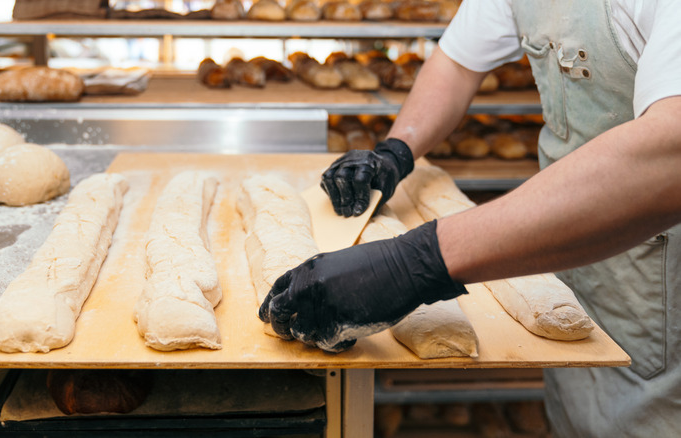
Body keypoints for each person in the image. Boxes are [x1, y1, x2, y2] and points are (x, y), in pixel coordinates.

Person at [258, 0, 681, 436]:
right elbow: (457, 64)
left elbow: (671, 154)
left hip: (658, 268)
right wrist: (396, 151)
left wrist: (417, 261)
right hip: (561, 238)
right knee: (576, 410)